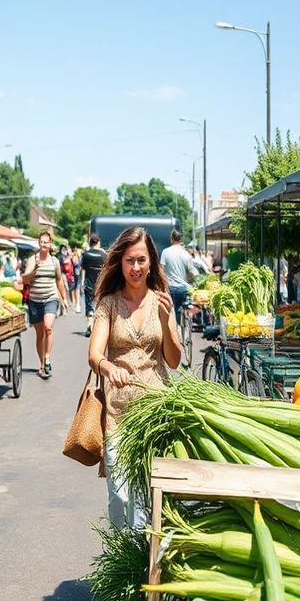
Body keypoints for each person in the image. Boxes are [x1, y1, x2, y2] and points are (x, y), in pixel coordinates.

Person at [87, 226, 183, 528]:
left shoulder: (162, 302)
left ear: (151, 262)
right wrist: (108, 367)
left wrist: (168, 323)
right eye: (130, 261)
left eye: (141, 260)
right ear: (120, 263)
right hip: (118, 413)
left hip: (155, 411)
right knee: (120, 494)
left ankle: (143, 563)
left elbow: (174, 360)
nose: (136, 267)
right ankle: (121, 561)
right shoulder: (108, 304)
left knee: (145, 494)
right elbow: (94, 355)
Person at [23, 231, 70, 379]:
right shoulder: (32, 260)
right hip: (35, 301)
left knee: (48, 328)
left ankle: (47, 358)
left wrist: (64, 298)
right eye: (42, 242)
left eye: (46, 242)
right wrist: (35, 269)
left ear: (50, 244)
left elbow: (59, 281)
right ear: (39, 243)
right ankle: (41, 363)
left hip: (50, 298)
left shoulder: (54, 261)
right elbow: (25, 279)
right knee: (40, 334)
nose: (44, 245)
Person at [160, 230, 196, 326]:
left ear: (171, 239)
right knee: (189, 305)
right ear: (181, 239)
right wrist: (193, 282)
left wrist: (162, 284)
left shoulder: (165, 252)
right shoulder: (186, 254)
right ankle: (189, 321)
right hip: (185, 288)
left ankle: (175, 329)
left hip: (171, 288)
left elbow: (161, 271)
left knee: (173, 311)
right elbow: (191, 273)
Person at [81, 234, 107, 336]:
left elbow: (83, 269)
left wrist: (82, 282)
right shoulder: (103, 255)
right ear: (98, 242)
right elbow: (106, 269)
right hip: (100, 283)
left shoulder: (86, 254)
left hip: (88, 281)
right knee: (99, 304)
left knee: (89, 303)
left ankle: (89, 324)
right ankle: (97, 327)